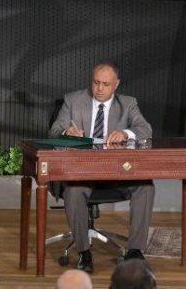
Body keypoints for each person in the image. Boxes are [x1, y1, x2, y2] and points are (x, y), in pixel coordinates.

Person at [49, 61, 154, 272]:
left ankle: (135, 251)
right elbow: (54, 132)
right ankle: (84, 253)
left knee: (146, 186)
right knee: (74, 191)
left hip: (116, 173)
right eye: (96, 82)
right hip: (81, 173)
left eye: (105, 84)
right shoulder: (73, 100)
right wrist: (67, 133)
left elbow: (146, 129)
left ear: (116, 84)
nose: (99, 89)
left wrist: (125, 133)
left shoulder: (128, 103)